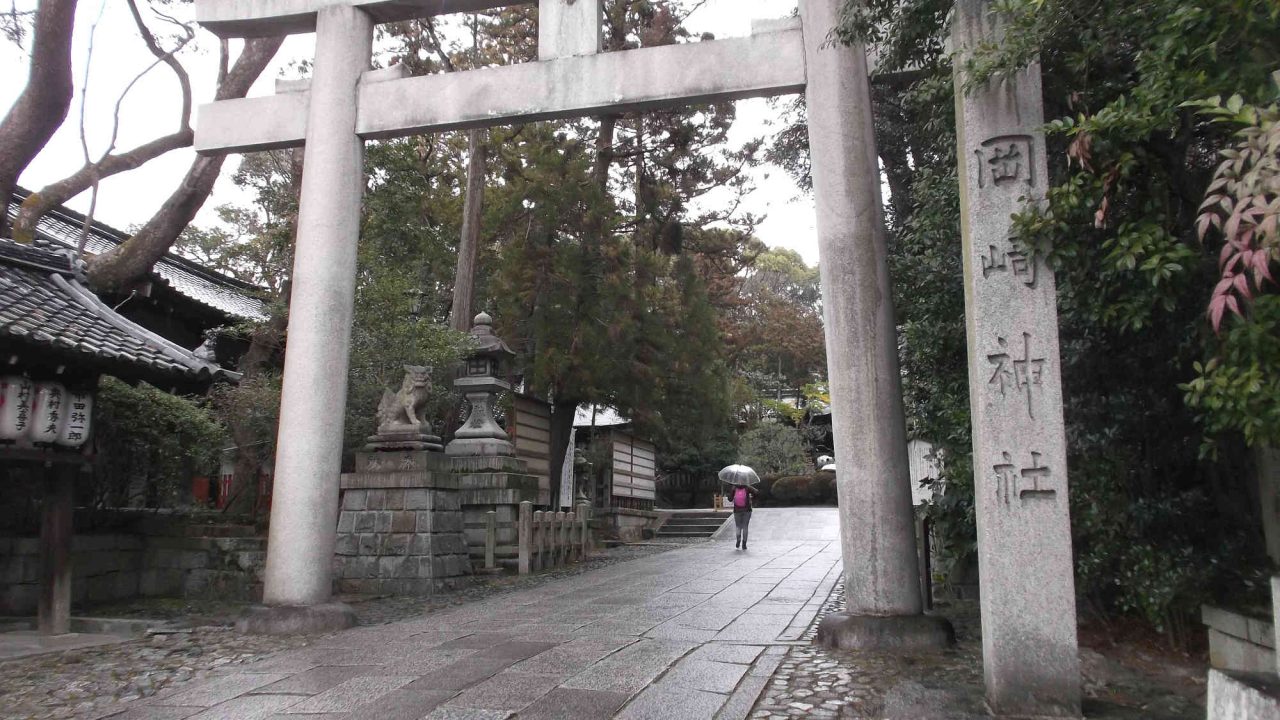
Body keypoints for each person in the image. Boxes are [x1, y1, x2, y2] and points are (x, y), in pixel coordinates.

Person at [729, 483, 759, 550]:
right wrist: (752, 498)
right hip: (747, 510)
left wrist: (732, 494)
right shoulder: (748, 487)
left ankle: (738, 540)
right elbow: (756, 492)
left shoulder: (734, 487)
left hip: (737, 510)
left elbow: (730, 499)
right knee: (745, 526)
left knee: (738, 526)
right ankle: (744, 544)